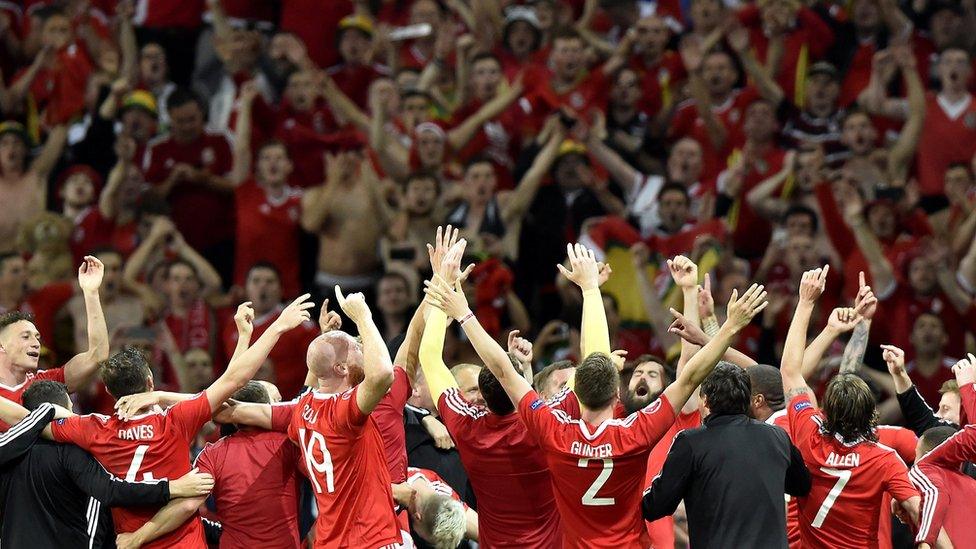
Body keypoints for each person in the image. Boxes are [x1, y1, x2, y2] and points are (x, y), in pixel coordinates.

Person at [423, 244, 768, 546]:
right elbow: (689, 376)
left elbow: (501, 370)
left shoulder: (554, 431)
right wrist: (730, 327)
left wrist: (462, 311)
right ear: (616, 392)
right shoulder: (633, 432)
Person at [0, 295, 314, 547]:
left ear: (109, 391)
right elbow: (234, 380)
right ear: (151, 381)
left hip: (128, 541)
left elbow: (33, 421)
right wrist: (276, 327)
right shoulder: (177, 421)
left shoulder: (96, 429)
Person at [779, 266, 921, 548]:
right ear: (872, 413)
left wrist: (807, 302)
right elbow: (921, 508)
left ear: (826, 410)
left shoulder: (808, 433)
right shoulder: (887, 452)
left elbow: (789, 372)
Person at [0, 381, 215, 549]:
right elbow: (109, 492)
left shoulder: (10, 452)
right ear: (62, 410)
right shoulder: (72, 451)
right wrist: (172, 487)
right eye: (70, 407)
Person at [113, 381, 303, 549]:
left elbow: (187, 505)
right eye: (276, 402)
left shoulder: (213, 454)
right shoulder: (290, 444)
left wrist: (137, 538)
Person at [641, 362, 811, 548]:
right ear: (747, 400)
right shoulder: (777, 436)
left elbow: (655, 506)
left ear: (705, 400)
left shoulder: (690, 442)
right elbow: (802, 486)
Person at [0, 256, 108, 428]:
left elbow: (97, 356)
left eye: (37, 337)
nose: (36, 343)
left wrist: (91, 293)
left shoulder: (45, 383)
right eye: (25, 336)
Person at [909, 423, 976, 548]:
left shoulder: (923, 469)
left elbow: (936, 493)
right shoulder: (973, 484)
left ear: (927, 454)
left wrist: (924, 543)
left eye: (916, 455)